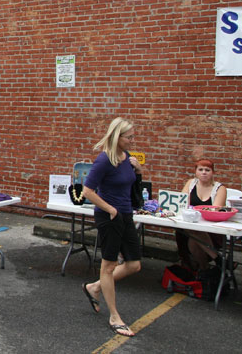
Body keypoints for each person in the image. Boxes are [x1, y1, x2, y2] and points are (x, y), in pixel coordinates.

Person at [80, 117, 143, 338]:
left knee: (134, 264)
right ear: (118, 137)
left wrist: (138, 169)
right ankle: (114, 316)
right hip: (109, 217)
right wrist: (110, 209)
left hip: (125, 215)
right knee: (108, 266)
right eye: (129, 137)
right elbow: (87, 191)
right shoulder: (104, 160)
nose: (132, 140)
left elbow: (132, 187)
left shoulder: (127, 159)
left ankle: (94, 287)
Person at [176, 159, 226, 270]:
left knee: (194, 237)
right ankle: (217, 260)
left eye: (207, 170)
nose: (204, 172)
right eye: (201, 169)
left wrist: (193, 211)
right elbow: (181, 203)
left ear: (213, 172)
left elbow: (214, 211)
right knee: (192, 235)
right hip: (190, 227)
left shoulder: (220, 188)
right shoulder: (190, 183)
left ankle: (204, 269)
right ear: (196, 172)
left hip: (211, 230)